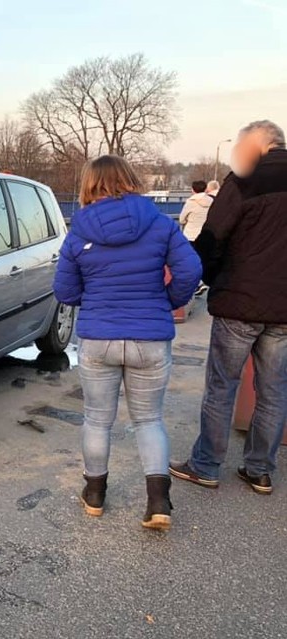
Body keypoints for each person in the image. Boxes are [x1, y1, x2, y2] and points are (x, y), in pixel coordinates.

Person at [54, 155, 202, 530]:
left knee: (97, 420)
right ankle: (158, 503)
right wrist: (168, 301)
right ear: (130, 180)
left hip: (99, 339)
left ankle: (95, 496)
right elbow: (191, 269)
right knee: (149, 419)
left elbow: (65, 292)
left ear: (90, 185)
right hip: (150, 339)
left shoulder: (79, 231)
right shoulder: (158, 222)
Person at [171, 120, 287, 495]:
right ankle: (260, 470)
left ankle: (206, 465)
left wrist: (212, 277)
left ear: (259, 145)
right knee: (274, 390)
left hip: (238, 301)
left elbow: (212, 236)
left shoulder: (244, 180)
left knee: (222, 387)